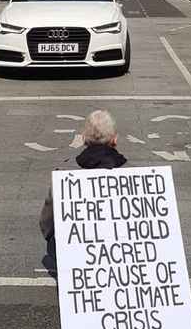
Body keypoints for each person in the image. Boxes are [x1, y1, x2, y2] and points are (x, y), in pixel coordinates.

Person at [39, 110, 127, 272]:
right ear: (114, 139)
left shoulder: (64, 173)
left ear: (83, 138)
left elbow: (47, 222)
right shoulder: (133, 174)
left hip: (76, 249)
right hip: (121, 250)